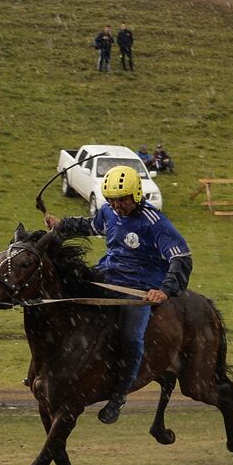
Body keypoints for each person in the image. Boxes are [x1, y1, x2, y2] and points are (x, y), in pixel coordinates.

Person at [44, 166, 192, 425]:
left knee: (130, 337)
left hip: (139, 289)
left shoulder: (155, 223)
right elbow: (92, 225)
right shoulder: (108, 213)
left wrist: (165, 290)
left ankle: (119, 395)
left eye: (122, 199)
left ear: (136, 194)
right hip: (106, 276)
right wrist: (62, 226)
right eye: (111, 199)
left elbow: (181, 257)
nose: (117, 205)